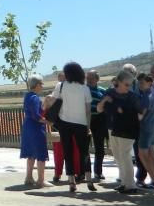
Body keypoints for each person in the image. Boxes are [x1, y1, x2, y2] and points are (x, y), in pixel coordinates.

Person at [46, 62, 96, 193]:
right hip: (81, 123)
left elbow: (53, 101)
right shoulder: (85, 88)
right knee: (84, 152)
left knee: (67, 152)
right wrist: (88, 126)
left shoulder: (61, 86)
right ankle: (89, 179)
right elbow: (88, 110)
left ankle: (71, 181)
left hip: (64, 123)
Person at [99, 70, 142, 194]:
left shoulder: (133, 96)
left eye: (130, 84)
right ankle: (124, 182)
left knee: (125, 155)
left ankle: (130, 185)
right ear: (118, 82)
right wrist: (104, 101)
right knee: (118, 156)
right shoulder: (109, 93)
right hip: (112, 128)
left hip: (127, 129)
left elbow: (141, 114)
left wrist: (127, 117)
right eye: (126, 84)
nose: (128, 87)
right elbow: (99, 109)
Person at [20, 75, 48, 188]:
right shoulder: (35, 98)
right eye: (41, 84)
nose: (42, 86)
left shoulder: (27, 96)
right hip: (36, 128)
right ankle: (41, 180)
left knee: (31, 154)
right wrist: (47, 121)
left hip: (28, 127)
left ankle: (29, 177)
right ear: (37, 85)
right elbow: (37, 115)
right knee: (41, 154)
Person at [136, 73, 154, 189]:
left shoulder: (146, 97)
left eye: (142, 83)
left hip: (145, 128)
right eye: (139, 82)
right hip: (152, 127)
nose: (140, 85)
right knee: (152, 154)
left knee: (142, 154)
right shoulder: (152, 95)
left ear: (149, 83)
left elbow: (140, 116)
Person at [86, 70, 108, 179]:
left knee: (99, 147)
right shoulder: (83, 90)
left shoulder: (102, 91)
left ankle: (98, 171)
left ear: (97, 79)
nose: (89, 80)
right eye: (87, 77)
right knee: (85, 148)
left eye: (91, 78)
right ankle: (86, 172)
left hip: (100, 120)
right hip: (86, 120)